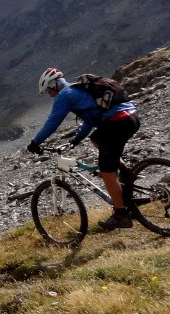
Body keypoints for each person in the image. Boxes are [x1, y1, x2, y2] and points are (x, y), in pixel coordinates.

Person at [26, 67, 141, 230]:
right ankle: (125, 173)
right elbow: (90, 120)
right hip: (130, 117)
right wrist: (76, 140)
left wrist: (35, 142)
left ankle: (121, 215)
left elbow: (53, 122)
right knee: (96, 138)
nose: (50, 95)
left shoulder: (65, 95)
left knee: (106, 170)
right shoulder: (79, 91)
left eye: (49, 91)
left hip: (117, 121)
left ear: (54, 85)